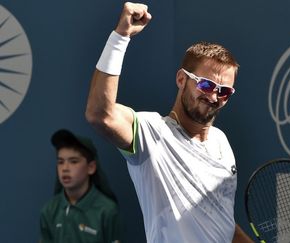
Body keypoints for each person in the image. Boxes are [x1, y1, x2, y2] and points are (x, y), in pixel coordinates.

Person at [85, 2, 253, 243]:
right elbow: (100, 114)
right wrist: (120, 37)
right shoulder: (151, 131)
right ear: (181, 79)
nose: (214, 96)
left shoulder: (221, 142)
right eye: (206, 85)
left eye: (224, 91)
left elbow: (220, 221)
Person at [39, 129, 121, 243]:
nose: (65, 168)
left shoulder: (107, 211)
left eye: (73, 161)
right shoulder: (49, 210)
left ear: (91, 167)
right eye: (60, 162)